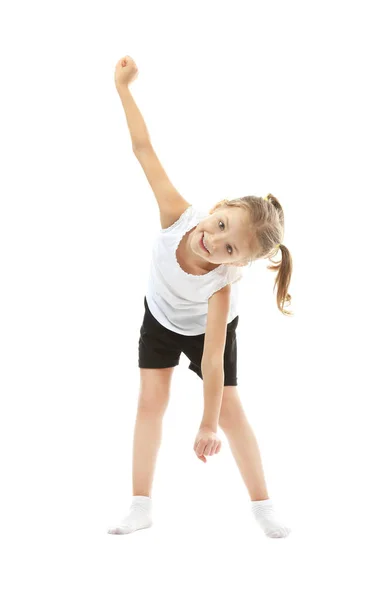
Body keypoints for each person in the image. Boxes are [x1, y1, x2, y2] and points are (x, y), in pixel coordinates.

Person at [108, 56, 293, 539]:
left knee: (230, 410)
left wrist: (207, 423)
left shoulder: (221, 286)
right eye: (221, 225)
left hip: (205, 331)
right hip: (160, 317)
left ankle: (263, 505)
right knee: (151, 401)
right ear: (217, 208)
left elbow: (212, 361)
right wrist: (124, 88)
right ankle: (140, 503)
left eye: (230, 247)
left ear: (238, 262)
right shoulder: (177, 217)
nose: (215, 241)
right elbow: (143, 149)